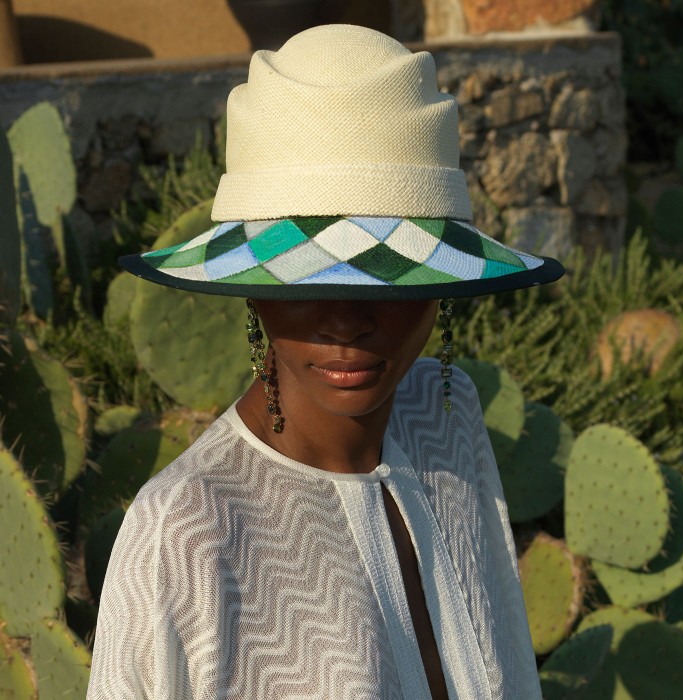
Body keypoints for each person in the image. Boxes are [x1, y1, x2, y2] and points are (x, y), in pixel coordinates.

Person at [87, 24, 564, 700]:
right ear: (249, 291)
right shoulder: (189, 531)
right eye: (305, 284)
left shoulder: (445, 421)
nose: (347, 321)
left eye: (392, 281)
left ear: (445, 290)